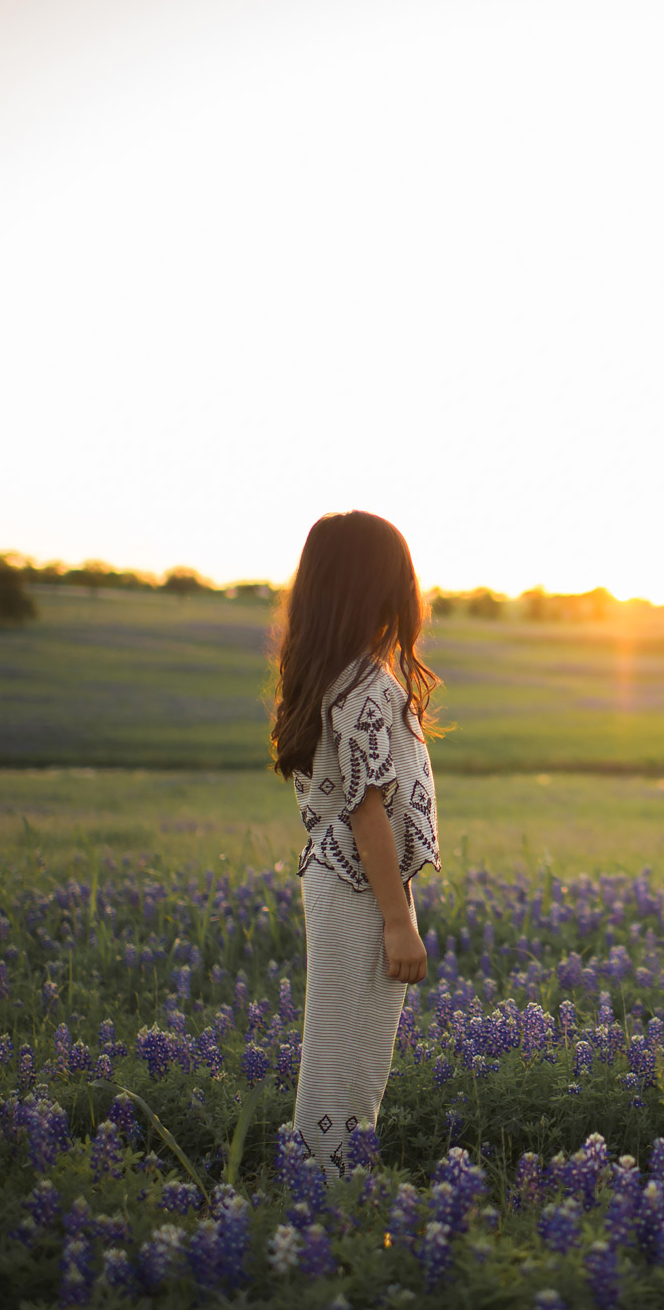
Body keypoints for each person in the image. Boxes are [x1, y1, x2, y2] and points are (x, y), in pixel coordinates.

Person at [272, 506, 438, 1181]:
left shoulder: (335, 670)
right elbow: (368, 811)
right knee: (346, 1061)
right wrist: (399, 920)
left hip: (349, 881)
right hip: (360, 886)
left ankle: (329, 1193)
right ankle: (324, 1200)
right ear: (374, 586)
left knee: (351, 1058)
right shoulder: (363, 683)